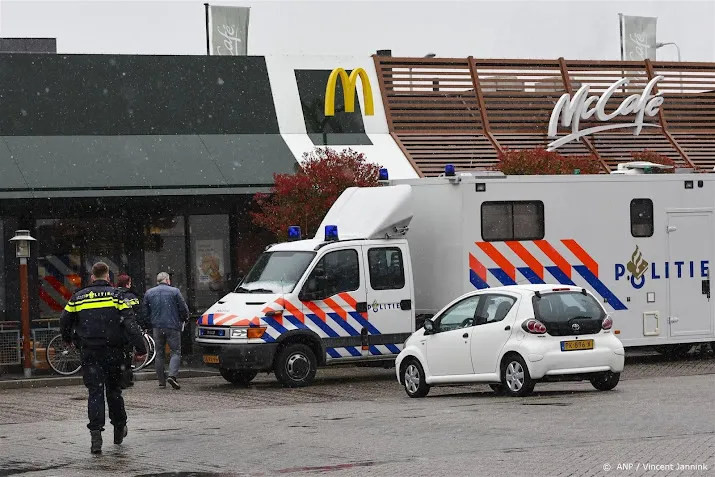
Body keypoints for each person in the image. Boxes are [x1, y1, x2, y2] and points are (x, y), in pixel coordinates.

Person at [60, 262, 147, 454]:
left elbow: (64, 320)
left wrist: (69, 339)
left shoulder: (78, 297)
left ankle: (96, 436)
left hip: (90, 352)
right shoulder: (118, 296)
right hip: (114, 352)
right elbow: (131, 324)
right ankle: (119, 427)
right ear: (108, 277)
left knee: (95, 393)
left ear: (92, 277)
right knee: (114, 391)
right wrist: (140, 348)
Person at [142, 271, 189, 390]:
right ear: (167, 280)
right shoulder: (175, 292)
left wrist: (148, 324)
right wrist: (185, 318)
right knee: (175, 352)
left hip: (157, 327)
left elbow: (145, 312)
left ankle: (161, 381)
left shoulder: (149, 293)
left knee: (159, 354)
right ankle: (172, 376)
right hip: (173, 326)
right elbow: (183, 308)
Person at [116, 274, 145, 389]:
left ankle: (122, 379)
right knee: (127, 355)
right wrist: (142, 325)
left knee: (120, 356)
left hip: (116, 331)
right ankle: (126, 379)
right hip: (128, 330)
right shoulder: (132, 297)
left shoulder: (114, 295)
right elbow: (138, 313)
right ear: (127, 283)